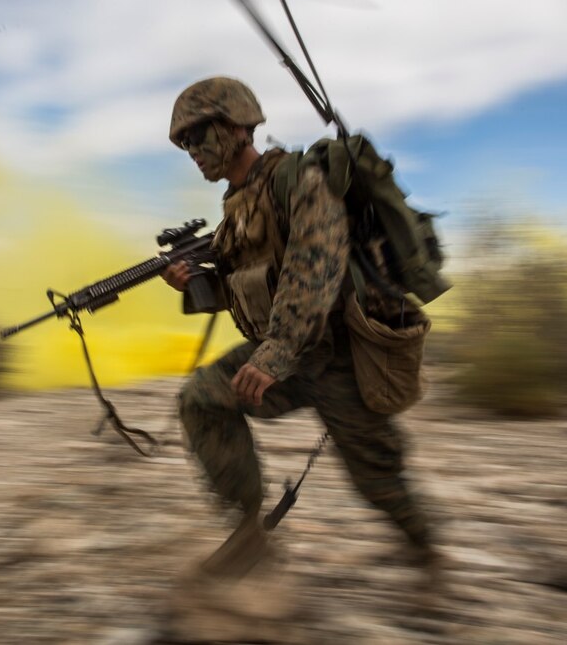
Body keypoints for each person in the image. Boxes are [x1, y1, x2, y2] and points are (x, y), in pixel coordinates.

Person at [161, 76, 441, 580]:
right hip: (285, 358)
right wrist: (193, 286)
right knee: (202, 398)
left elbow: (314, 272)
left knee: (377, 479)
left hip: (339, 358)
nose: (192, 151)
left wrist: (273, 355)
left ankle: (426, 548)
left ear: (236, 128)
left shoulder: (300, 180)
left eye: (198, 136)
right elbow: (250, 289)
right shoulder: (235, 212)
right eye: (184, 143)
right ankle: (249, 531)